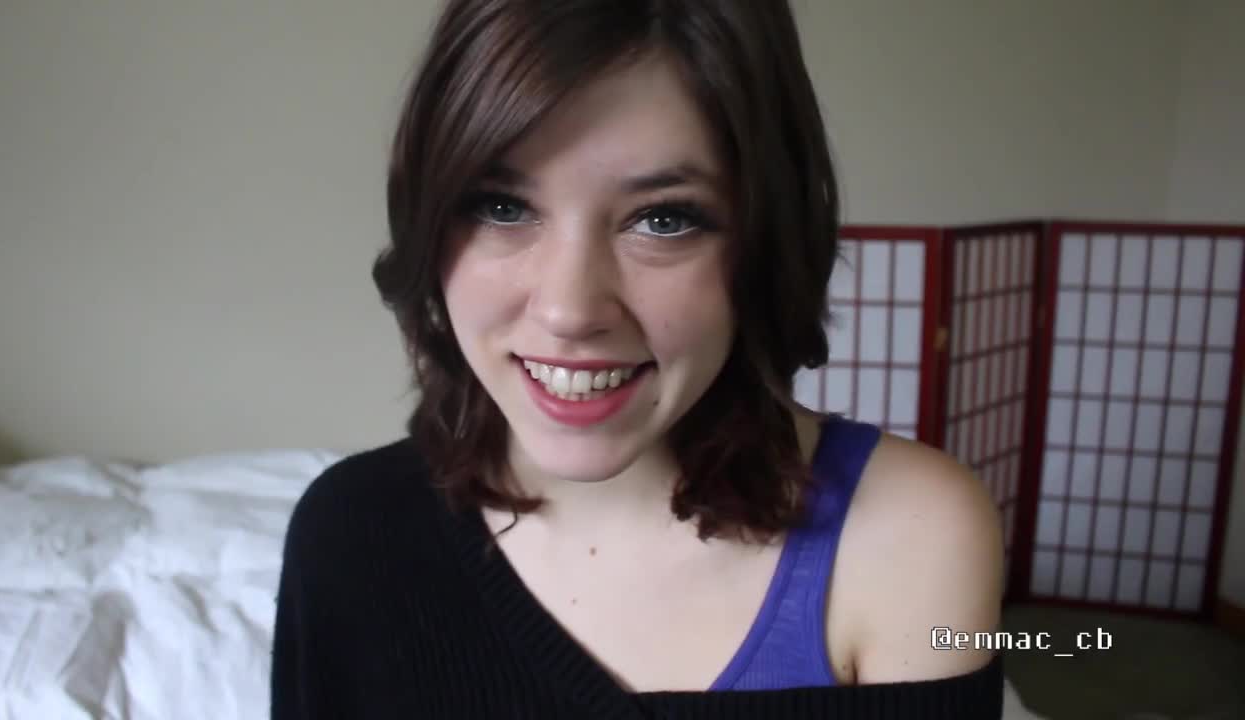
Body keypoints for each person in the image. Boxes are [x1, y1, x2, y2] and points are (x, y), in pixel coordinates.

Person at [271, 0, 1005, 717]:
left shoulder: (912, 535)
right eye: (501, 207)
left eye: (663, 219)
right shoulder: (349, 534)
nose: (569, 310)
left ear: (762, 242)